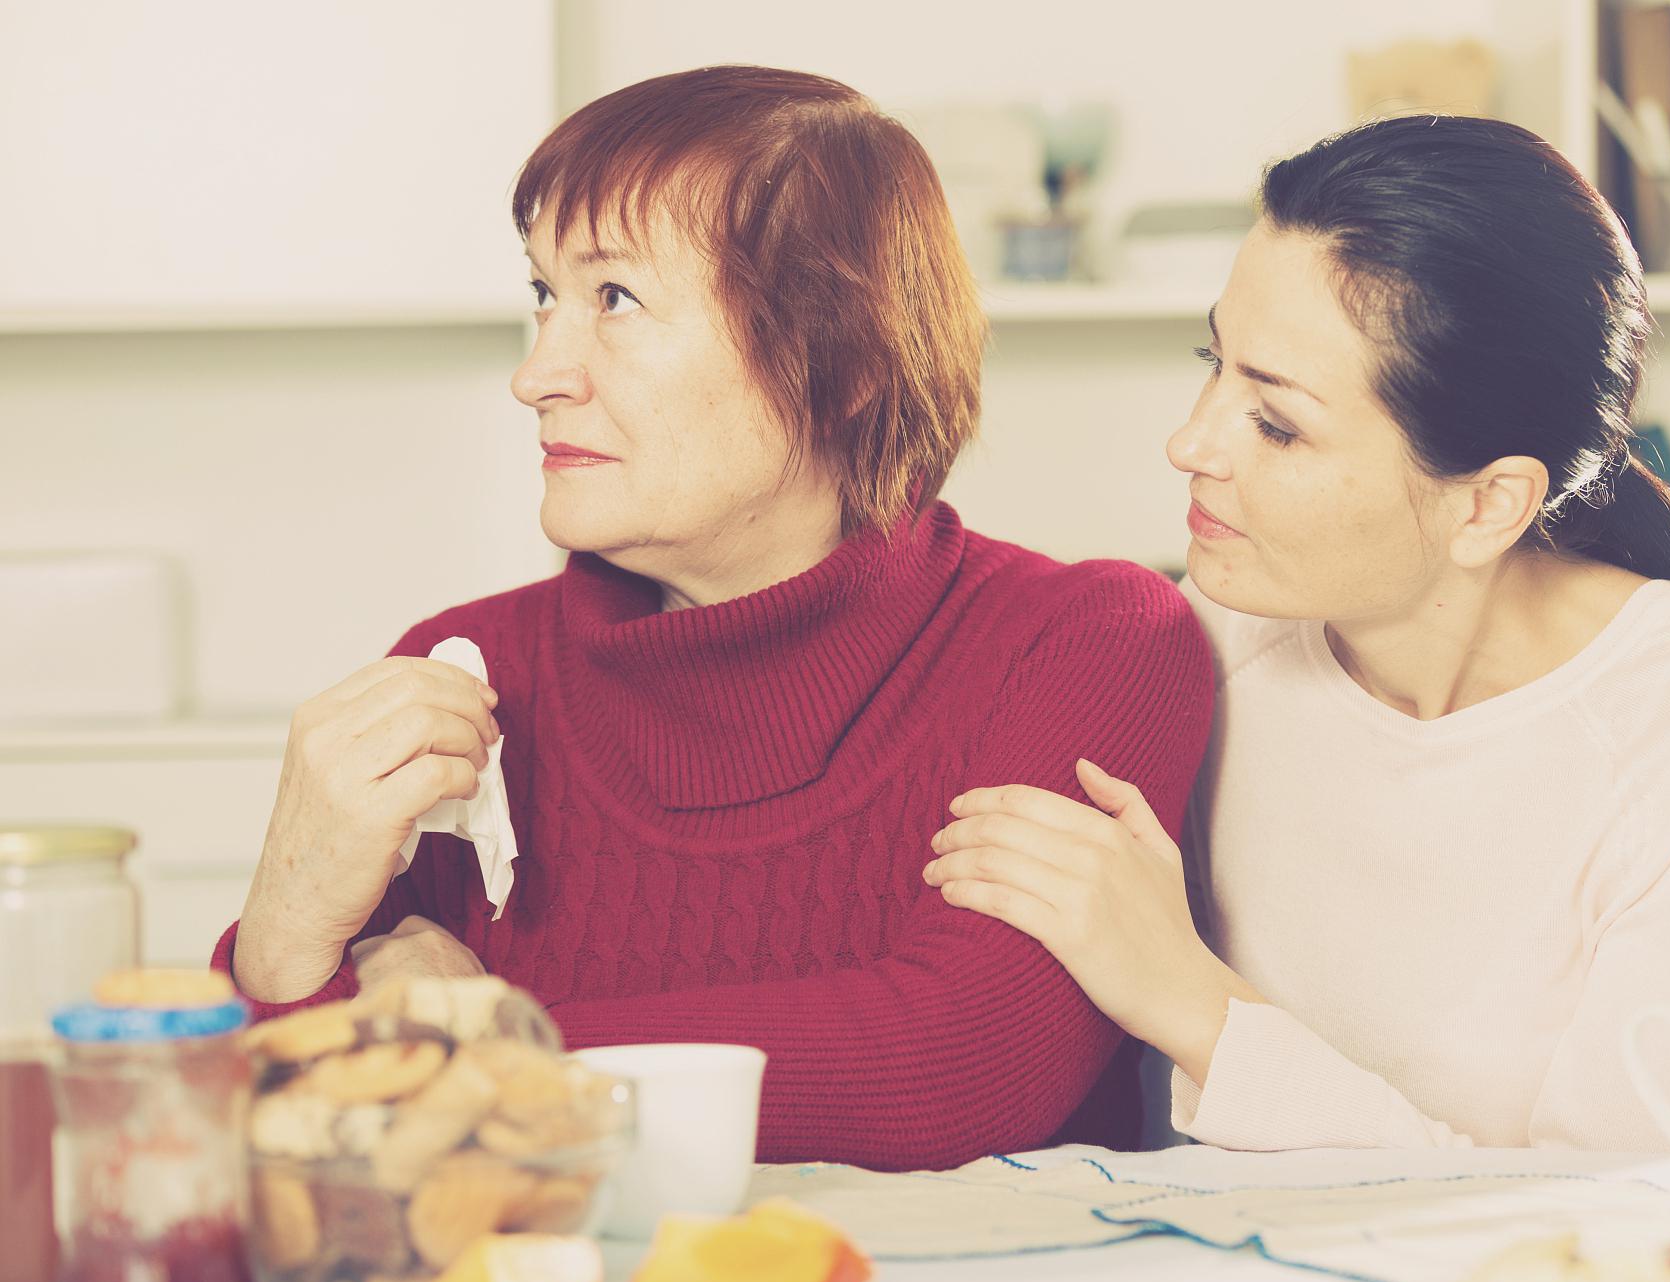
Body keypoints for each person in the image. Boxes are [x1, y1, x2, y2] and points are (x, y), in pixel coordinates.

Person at [214, 65, 1212, 1171]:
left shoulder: (1084, 642)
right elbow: (299, 1141)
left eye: (616, 300)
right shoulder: (465, 669)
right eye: (545, 294)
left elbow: (954, 1064)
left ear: (848, 361)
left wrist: (492, 1045)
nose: (537, 373)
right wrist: (282, 927)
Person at [924, 115, 1670, 1151]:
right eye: (1215, 362)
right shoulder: (1206, 648)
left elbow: (1613, 1237)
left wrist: (1195, 1003)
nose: (1189, 441)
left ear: (1487, 505)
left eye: (1277, 422)